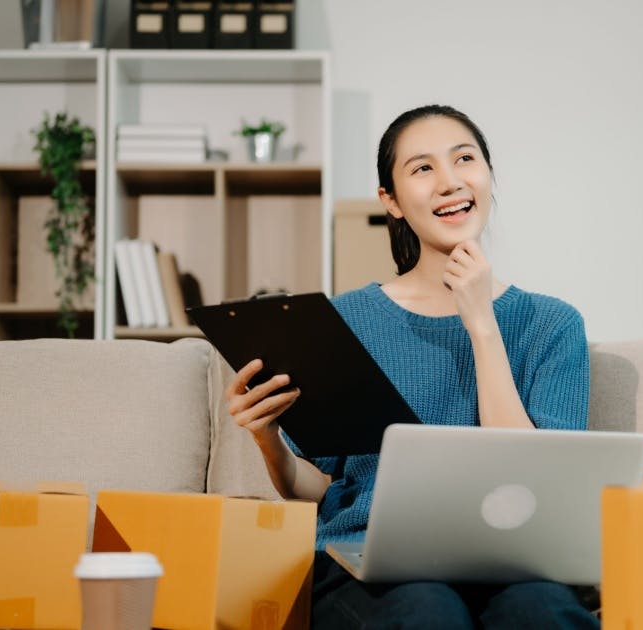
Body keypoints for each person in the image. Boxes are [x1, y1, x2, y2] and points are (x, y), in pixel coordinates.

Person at [226, 104, 596, 629]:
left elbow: (531, 484)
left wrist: (482, 326)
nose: (449, 182)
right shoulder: (345, 319)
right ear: (391, 201)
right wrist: (266, 436)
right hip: (370, 563)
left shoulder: (552, 324)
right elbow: (322, 488)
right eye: (422, 168)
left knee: (540, 611)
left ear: (488, 176)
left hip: (511, 566)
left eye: (464, 159)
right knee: (427, 609)